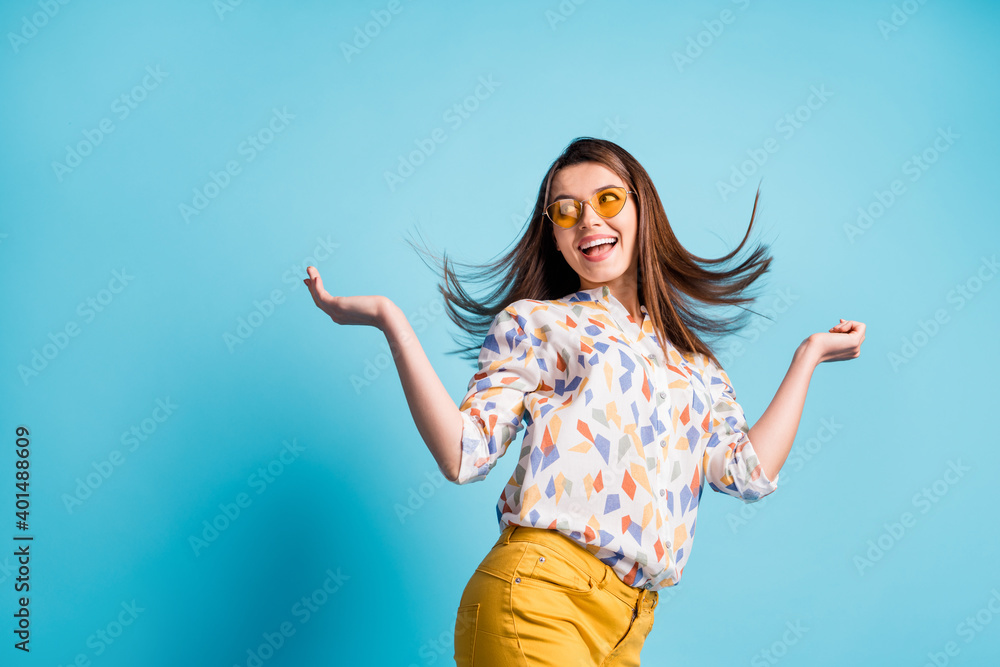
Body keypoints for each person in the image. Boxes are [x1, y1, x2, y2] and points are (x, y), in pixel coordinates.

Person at [303, 137, 866, 665]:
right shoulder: (538, 323)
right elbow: (463, 454)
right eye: (566, 210)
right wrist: (390, 322)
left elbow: (747, 472)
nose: (589, 219)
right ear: (554, 233)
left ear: (643, 209)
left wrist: (808, 356)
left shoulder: (695, 366)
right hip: (538, 595)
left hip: (628, 625)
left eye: (608, 199)